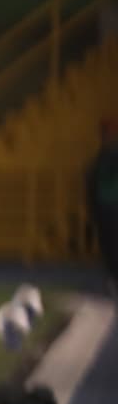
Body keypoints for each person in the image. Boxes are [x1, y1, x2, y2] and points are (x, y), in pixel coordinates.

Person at [88, 118, 118, 294]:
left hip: (113, 206)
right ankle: (112, 277)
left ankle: (114, 277)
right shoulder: (100, 156)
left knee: (114, 244)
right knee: (107, 245)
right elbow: (93, 182)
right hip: (103, 207)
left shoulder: (113, 155)